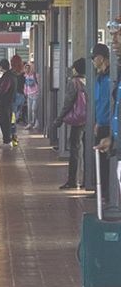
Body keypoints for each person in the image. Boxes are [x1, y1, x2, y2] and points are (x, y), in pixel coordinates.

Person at [53, 59, 87, 189]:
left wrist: (59, 119)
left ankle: (72, 180)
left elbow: (68, 103)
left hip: (78, 121)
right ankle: (87, 180)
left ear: (76, 69)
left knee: (75, 149)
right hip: (89, 120)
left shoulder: (74, 83)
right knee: (87, 151)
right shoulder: (89, 80)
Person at [92, 43, 113, 204]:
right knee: (100, 161)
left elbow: (109, 102)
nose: (93, 60)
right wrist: (97, 121)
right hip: (101, 123)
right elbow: (99, 102)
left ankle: (107, 192)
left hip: (110, 125)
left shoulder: (111, 78)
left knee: (107, 162)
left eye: (94, 57)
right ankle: (100, 191)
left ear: (102, 58)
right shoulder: (99, 77)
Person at [0, 58, 17, 145]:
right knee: (9, 121)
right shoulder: (11, 75)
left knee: (5, 121)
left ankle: (7, 139)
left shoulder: (7, 77)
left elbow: (4, 89)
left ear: (2, 66)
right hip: (9, 102)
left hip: (5, 103)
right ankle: (9, 139)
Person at [23, 62, 40, 130]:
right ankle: (30, 123)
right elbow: (26, 85)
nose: (26, 70)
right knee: (29, 110)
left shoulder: (36, 75)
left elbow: (39, 84)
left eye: (28, 68)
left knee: (34, 109)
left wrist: (38, 91)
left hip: (35, 94)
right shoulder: (26, 76)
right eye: (25, 68)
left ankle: (36, 121)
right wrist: (25, 92)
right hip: (29, 95)